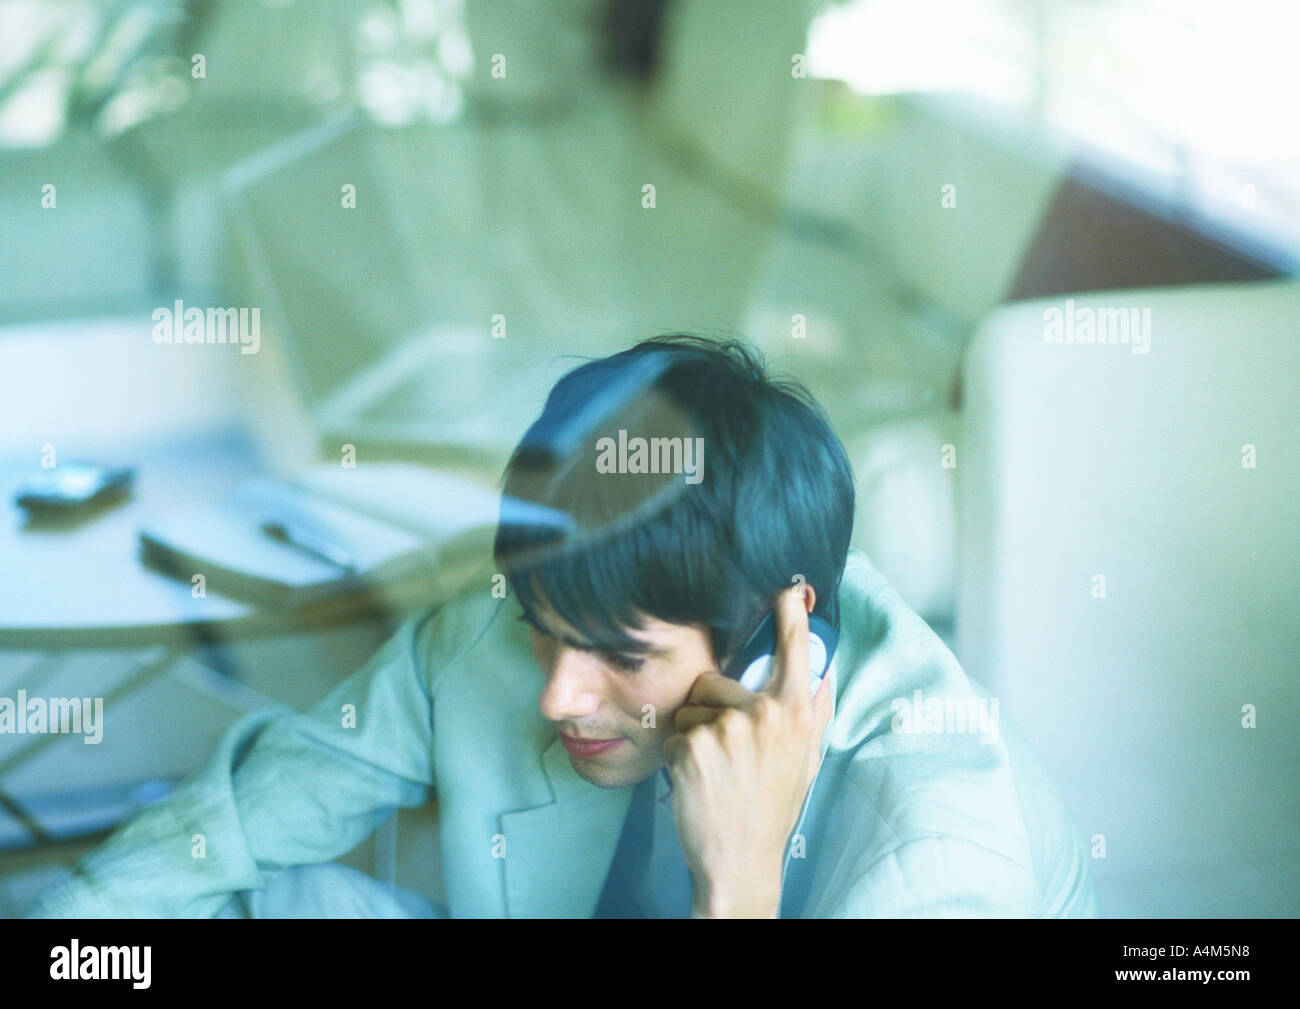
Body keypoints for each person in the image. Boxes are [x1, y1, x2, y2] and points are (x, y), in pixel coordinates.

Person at [27, 335, 1097, 918]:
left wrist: (738, 880)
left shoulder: (944, 857)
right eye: (546, 629)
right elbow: (239, 825)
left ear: (771, 636)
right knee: (287, 899)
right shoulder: (539, 620)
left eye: (623, 657)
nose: (556, 693)